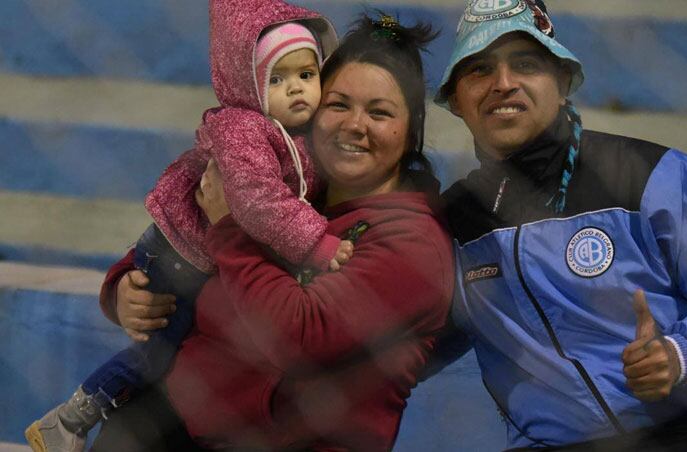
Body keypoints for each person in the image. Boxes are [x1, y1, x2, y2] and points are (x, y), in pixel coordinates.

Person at [434, 0, 687, 450]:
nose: (503, 84)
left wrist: (680, 356)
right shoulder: (453, 222)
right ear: (456, 101)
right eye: (479, 70)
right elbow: (412, 344)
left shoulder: (656, 172)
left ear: (563, 82)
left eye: (525, 63)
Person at [90, 13, 449, 452]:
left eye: (379, 113)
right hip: (181, 425)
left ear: (411, 131)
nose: (355, 125)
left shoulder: (413, 241)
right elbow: (181, 221)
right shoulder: (281, 189)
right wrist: (125, 288)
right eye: (337, 104)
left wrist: (231, 229)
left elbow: (301, 338)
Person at [25, 1, 344, 450]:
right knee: (155, 357)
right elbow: (257, 205)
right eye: (277, 79)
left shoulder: (301, 142)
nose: (296, 90)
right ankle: (70, 420)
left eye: (307, 76)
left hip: (227, 346)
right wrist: (119, 289)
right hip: (179, 260)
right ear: (249, 85)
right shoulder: (246, 132)